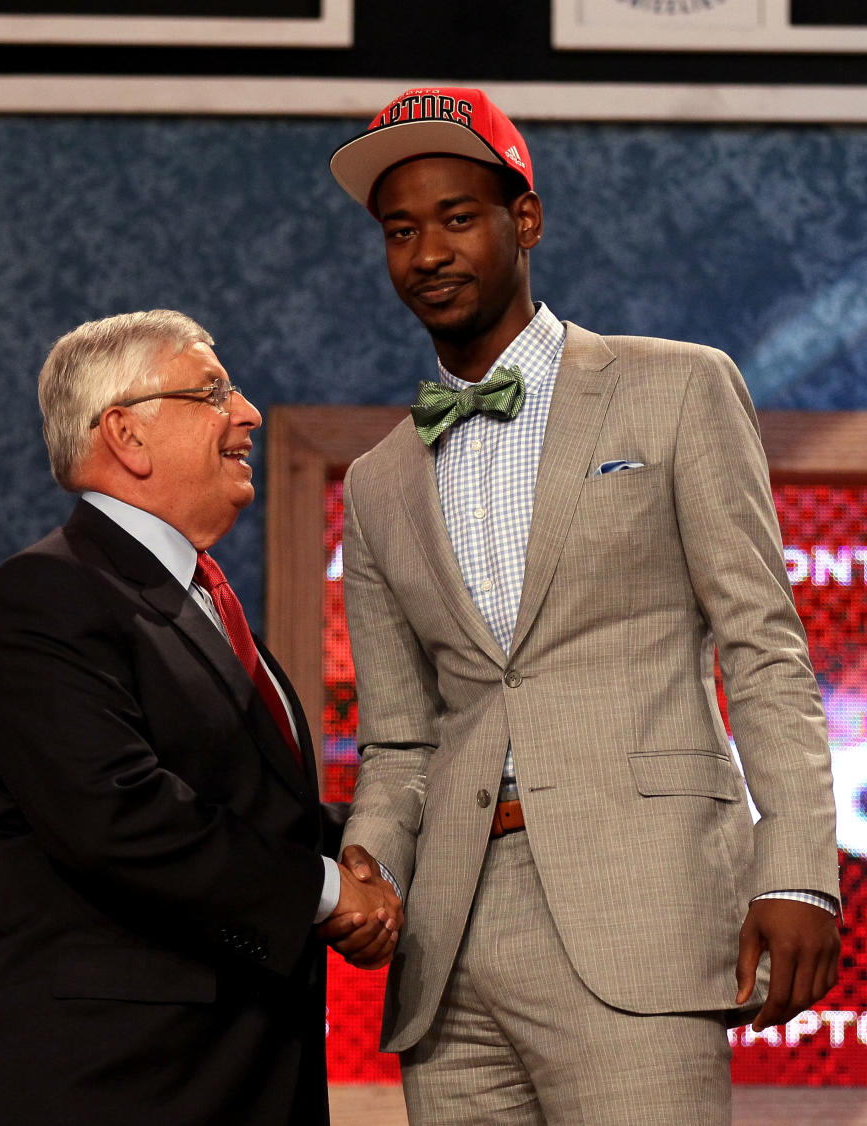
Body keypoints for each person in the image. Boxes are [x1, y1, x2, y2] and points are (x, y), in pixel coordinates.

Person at [327, 89, 841, 1124]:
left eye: (458, 218)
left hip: (639, 907)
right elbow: (398, 741)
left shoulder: (678, 388)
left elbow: (764, 647)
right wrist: (367, 863)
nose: (428, 251)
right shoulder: (378, 480)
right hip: (449, 943)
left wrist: (799, 868)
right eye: (400, 231)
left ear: (526, 220)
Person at [0, 310, 401, 1126]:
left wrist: (399, 849)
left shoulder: (201, 603)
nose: (249, 412)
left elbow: (263, 815)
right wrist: (328, 892)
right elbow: (120, 817)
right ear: (127, 435)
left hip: (227, 1083)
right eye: (212, 392)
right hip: (102, 1088)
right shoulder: (45, 594)